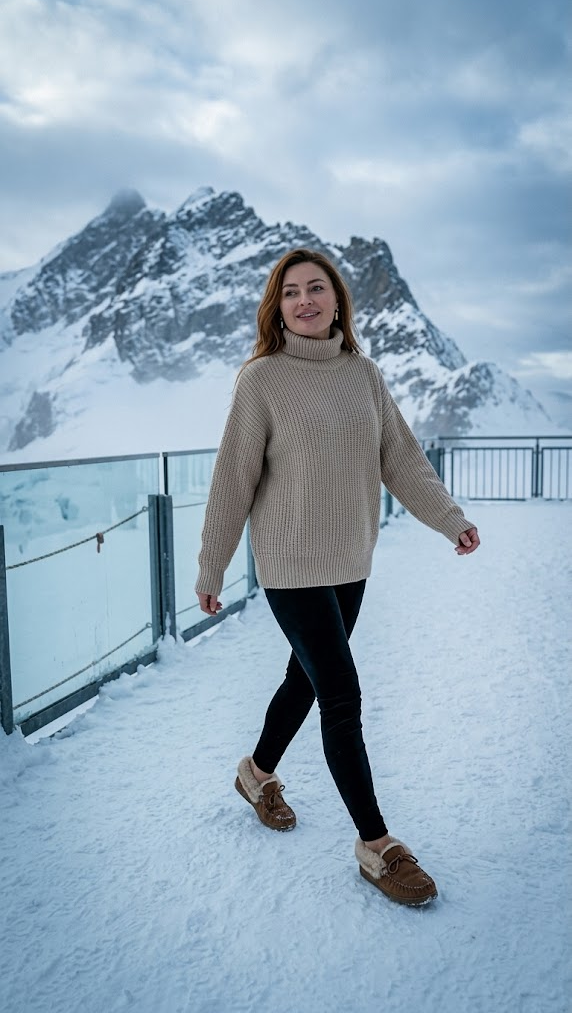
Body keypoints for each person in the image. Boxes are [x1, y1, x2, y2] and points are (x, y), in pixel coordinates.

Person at [195, 248, 480, 906]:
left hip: (350, 560)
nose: (305, 300)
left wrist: (449, 519)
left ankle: (256, 772)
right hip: (290, 564)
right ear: (278, 306)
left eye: (316, 288)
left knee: (306, 677)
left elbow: (401, 459)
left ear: (337, 301)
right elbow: (232, 481)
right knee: (341, 694)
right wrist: (213, 565)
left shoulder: (363, 374)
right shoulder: (261, 379)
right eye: (291, 291)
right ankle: (376, 845)